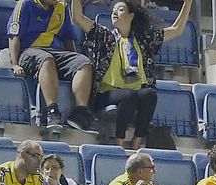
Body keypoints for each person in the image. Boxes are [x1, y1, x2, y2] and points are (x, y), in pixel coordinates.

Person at [72, 0, 192, 148]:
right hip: (106, 93)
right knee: (130, 95)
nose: (114, 13)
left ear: (131, 16)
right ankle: (119, 140)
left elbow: (177, 29)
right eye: (113, 11)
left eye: (120, 10)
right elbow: (78, 17)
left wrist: (188, 2)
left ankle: (137, 140)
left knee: (149, 94)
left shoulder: (143, 40)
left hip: (132, 93)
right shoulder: (105, 36)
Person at [8, 0, 96, 132]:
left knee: (84, 63)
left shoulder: (61, 7)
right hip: (29, 51)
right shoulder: (25, 4)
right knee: (47, 60)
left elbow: (68, 38)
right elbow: (14, 36)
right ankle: (52, 111)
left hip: (57, 51)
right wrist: (14, 64)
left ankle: (80, 113)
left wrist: (73, 62)